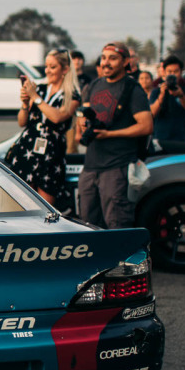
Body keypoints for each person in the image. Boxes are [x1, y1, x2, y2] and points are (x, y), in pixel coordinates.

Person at [74, 42, 153, 230]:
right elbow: (82, 113)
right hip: (91, 166)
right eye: (103, 58)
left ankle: (122, 260)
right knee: (87, 224)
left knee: (117, 224)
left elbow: (146, 126)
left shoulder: (132, 89)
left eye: (112, 58)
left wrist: (110, 134)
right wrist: (82, 125)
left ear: (125, 61)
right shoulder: (94, 85)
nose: (106, 63)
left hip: (117, 166)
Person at [6, 49, 80, 203]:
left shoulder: (72, 95)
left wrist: (35, 97)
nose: (47, 71)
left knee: (45, 203)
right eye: (46, 66)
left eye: (53, 67)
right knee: (23, 201)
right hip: (28, 148)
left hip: (51, 153)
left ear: (65, 70)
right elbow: (22, 122)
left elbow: (57, 117)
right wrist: (25, 103)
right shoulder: (40, 89)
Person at [149, 55, 185, 143]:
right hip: (160, 137)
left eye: (176, 71)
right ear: (164, 72)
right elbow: (152, 113)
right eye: (169, 71)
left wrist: (181, 96)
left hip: (181, 137)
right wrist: (161, 96)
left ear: (181, 72)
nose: (172, 74)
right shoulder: (156, 91)